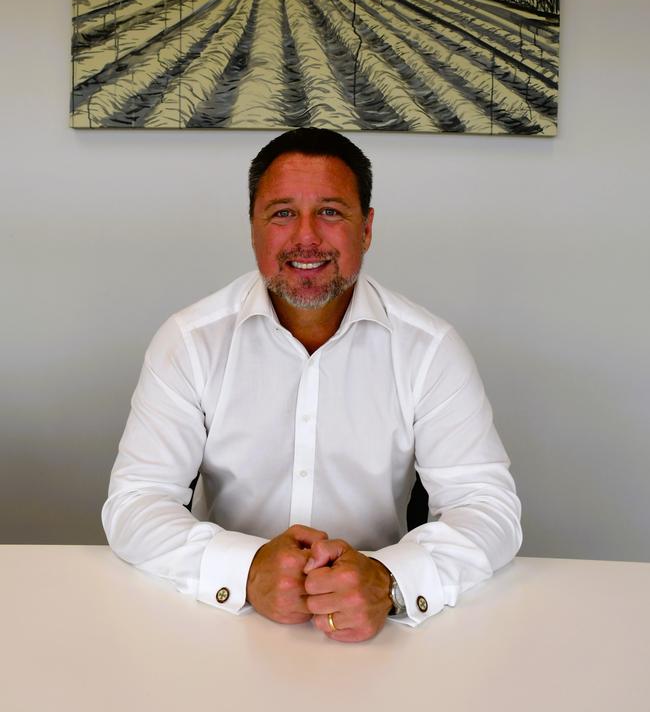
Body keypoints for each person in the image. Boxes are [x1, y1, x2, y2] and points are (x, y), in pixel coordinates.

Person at [103, 128, 521, 643]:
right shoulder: (190, 341)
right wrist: (247, 570)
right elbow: (135, 502)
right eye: (281, 213)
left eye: (330, 211)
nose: (306, 238)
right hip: (220, 626)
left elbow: (487, 506)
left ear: (366, 229)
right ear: (252, 228)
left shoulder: (430, 348)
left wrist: (390, 580)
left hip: (375, 630)